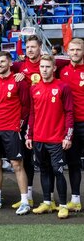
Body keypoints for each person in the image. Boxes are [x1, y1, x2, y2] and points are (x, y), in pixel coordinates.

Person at [0, 51, 31, 215]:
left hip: (11, 128)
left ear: (10, 63)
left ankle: (24, 201)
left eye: (3, 61)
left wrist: (20, 123)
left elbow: (26, 105)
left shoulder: (19, 80)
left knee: (17, 164)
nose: (0, 64)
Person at [25, 55, 73, 219]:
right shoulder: (34, 88)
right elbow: (32, 113)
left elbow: (69, 113)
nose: (44, 70)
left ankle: (63, 205)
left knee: (58, 171)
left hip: (57, 139)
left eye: (47, 67)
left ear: (54, 68)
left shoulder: (62, 87)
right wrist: (29, 135)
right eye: (42, 67)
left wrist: (68, 136)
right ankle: (47, 202)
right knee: (44, 171)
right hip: (39, 138)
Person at [59, 38, 84, 212]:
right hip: (71, 125)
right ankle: (75, 199)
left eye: (78, 50)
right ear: (67, 51)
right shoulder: (62, 71)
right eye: (72, 50)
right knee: (73, 163)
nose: (75, 53)